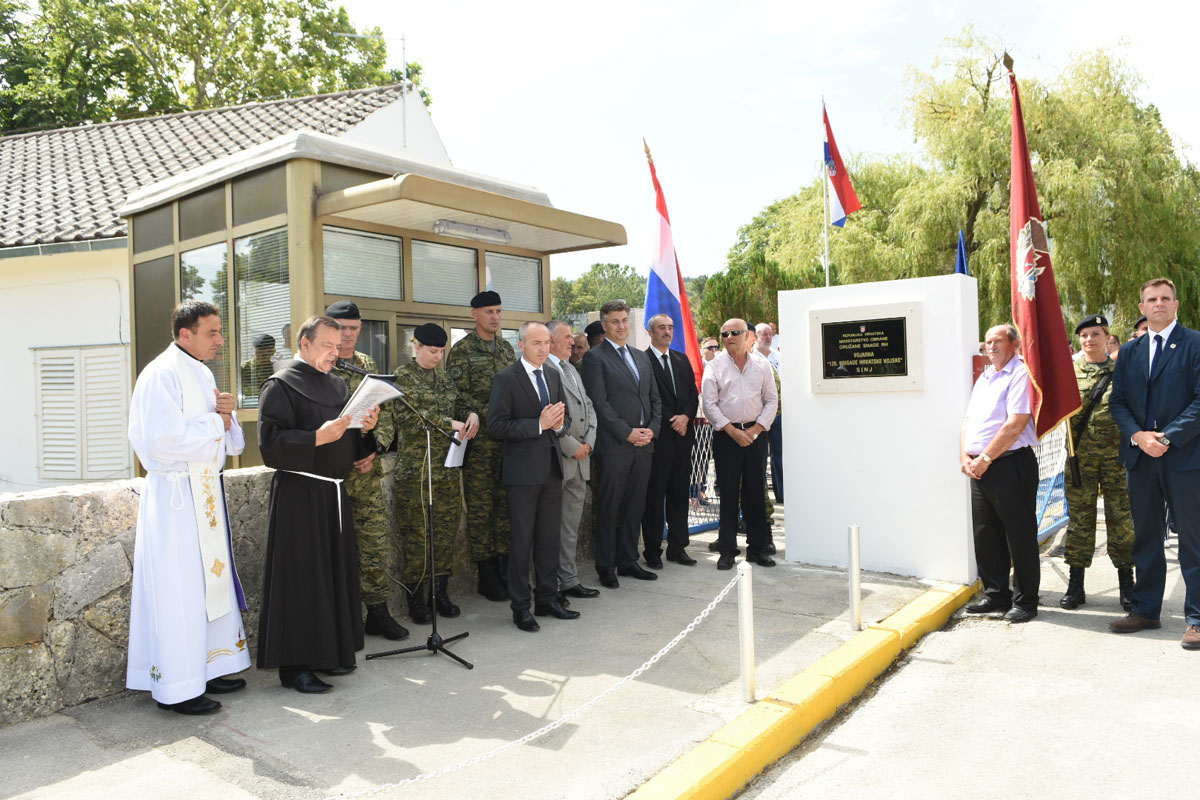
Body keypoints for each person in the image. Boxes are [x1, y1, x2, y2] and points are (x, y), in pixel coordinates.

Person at [126, 301, 250, 716]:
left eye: (220, 331)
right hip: (177, 498)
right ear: (185, 334)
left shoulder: (202, 372)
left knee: (208, 584)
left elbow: (224, 439)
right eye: (212, 332)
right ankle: (178, 686)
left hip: (204, 493)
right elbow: (161, 441)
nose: (220, 340)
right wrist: (218, 422)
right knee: (180, 589)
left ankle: (211, 665)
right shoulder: (160, 374)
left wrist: (227, 416)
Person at [257, 316, 380, 693]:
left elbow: (349, 442)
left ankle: (330, 653)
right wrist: (315, 438)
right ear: (305, 344)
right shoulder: (279, 385)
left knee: (332, 575)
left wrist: (366, 431)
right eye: (327, 346)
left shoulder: (339, 385)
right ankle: (295, 667)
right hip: (300, 494)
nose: (335, 353)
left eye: (338, 347)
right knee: (303, 578)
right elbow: (269, 446)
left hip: (333, 492)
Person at [1107, 278, 1200, 649]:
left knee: (1192, 540)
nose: (1158, 303)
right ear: (1142, 307)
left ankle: (1197, 619)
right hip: (1141, 457)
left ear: (1175, 305)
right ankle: (1146, 610)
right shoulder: (1130, 351)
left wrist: (1167, 437)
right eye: (1152, 299)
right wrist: (1138, 436)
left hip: (1184, 458)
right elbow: (1118, 402)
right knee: (1146, 536)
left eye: (1165, 298)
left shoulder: (1195, 343)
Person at [325, 300, 407, 641]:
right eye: (341, 328)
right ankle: (336, 620)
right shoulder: (318, 366)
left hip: (365, 473)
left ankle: (377, 612)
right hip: (330, 475)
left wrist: (376, 448)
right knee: (330, 548)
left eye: (354, 328)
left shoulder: (366, 364)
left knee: (374, 544)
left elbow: (384, 414)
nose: (348, 335)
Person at [488, 321, 576, 631]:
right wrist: (538, 424)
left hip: (551, 468)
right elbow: (496, 426)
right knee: (521, 543)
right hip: (522, 475)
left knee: (548, 540)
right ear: (521, 344)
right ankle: (521, 607)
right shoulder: (506, 379)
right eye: (536, 343)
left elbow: (562, 420)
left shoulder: (553, 374)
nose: (543, 349)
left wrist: (558, 426)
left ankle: (547, 599)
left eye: (547, 343)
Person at [389, 323, 479, 624]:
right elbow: (409, 417)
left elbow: (460, 402)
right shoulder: (403, 377)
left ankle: (439, 593)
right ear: (416, 347)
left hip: (447, 471)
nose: (437, 357)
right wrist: (450, 423)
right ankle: (417, 598)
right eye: (432, 351)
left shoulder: (444, 378)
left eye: (441, 352)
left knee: (444, 535)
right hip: (417, 473)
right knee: (418, 538)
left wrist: (471, 414)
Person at [960, 324, 1040, 623]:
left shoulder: (1020, 374)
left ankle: (1026, 601)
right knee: (986, 534)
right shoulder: (985, 378)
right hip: (979, 467)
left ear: (1014, 344)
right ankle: (996, 594)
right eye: (988, 342)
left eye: (998, 341)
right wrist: (964, 455)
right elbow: (968, 421)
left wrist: (985, 457)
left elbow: (1016, 423)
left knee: (1019, 536)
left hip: (1010, 464)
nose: (991, 347)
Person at [581, 299, 662, 586]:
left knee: (634, 507)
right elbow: (599, 403)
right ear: (604, 325)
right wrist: (626, 432)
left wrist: (652, 430)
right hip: (614, 447)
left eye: (625, 320)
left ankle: (628, 561)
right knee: (609, 507)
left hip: (644, 445)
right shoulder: (595, 358)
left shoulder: (641, 356)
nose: (621, 326)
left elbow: (654, 399)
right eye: (615, 321)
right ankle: (606, 566)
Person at [1060, 315, 1135, 611]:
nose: (1089, 340)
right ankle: (1075, 585)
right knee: (1080, 520)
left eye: (1095, 334)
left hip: (1117, 459)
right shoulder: (1068, 374)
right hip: (1081, 458)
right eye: (1084, 335)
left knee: (1121, 519)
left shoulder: (1122, 372)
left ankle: (1127, 584)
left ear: (1107, 338)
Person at [445, 290, 515, 602]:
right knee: (481, 509)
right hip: (481, 444)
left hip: (508, 443)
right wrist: (488, 414)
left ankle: (503, 566)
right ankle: (486, 573)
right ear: (475, 315)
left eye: (498, 311)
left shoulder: (507, 349)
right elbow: (456, 395)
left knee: (504, 506)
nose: (495, 317)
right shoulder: (462, 351)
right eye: (489, 312)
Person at [701, 319, 778, 570]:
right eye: (724, 334)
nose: (729, 337)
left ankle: (757, 550)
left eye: (735, 332)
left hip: (756, 435)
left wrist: (755, 430)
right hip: (727, 436)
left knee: (755, 493)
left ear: (747, 336)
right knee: (728, 494)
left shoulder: (762, 365)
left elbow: (771, 400)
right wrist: (733, 431)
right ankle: (727, 550)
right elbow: (709, 404)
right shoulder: (714, 367)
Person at [546, 320, 601, 601]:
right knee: (551, 527)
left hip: (581, 460)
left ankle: (568, 579)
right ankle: (550, 585)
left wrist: (589, 442)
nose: (572, 342)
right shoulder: (545, 370)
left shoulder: (570, 369)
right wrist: (572, 446)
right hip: (560, 459)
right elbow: (547, 416)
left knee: (570, 526)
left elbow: (588, 407)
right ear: (551, 341)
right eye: (566, 337)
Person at [642, 313, 699, 567]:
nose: (667, 331)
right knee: (655, 497)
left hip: (683, 439)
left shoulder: (681, 359)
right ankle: (653, 551)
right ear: (650, 332)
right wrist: (672, 420)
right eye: (661, 327)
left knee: (679, 495)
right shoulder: (642, 361)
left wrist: (686, 417)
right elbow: (647, 398)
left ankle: (678, 547)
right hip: (659, 440)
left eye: (670, 327)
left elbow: (692, 394)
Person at [755, 322, 784, 506]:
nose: (768, 337)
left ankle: (781, 493)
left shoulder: (778, 357)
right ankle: (760, 496)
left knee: (779, 453)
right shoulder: (751, 357)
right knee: (759, 456)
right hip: (759, 413)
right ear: (756, 337)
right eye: (764, 334)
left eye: (770, 334)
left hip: (779, 412)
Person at [240, 333, 276, 402]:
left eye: (264, 355)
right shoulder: (245, 368)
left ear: (272, 352)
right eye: (258, 353)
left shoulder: (275, 369)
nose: (260, 357)